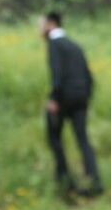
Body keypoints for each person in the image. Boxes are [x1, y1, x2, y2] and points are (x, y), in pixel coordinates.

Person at [40, 11, 101, 198]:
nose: (39, 29)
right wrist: (86, 96)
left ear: (50, 24)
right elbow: (88, 76)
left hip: (64, 98)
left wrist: (54, 99)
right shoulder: (74, 45)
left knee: (54, 137)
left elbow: (57, 74)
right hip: (81, 97)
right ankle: (95, 182)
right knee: (83, 139)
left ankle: (64, 181)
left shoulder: (54, 44)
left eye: (41, 24)